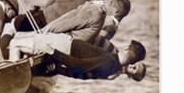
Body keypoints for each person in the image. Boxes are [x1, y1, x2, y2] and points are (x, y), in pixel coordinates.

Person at [9, 31, 146, 81]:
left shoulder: (110, 62)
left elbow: (79, 66)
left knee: (15, 43)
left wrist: (53, 53)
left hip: (63, 46)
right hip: (66, 46)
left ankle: (10, 79)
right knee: (23, 42)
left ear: (127, 48)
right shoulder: (112, 62)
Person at [43, 0, 131, 44]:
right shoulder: (113, 25)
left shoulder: (110, 22)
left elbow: (98, 37)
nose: (106, 5)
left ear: (115, 10)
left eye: (110, 3)